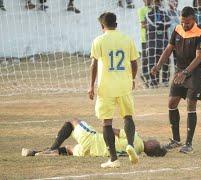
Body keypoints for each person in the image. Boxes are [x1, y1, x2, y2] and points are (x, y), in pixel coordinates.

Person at [151, 6, 201, 154]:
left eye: (187, 22)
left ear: (193, 19)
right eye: (182, 22)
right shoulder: (177, 29)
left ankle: (188, 144)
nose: (184, 25)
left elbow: (199, 57)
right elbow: (169, 49)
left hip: (195, 72)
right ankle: (176, 140)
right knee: (172, 102)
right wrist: (158, 66)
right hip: (180, 71)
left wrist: (186, 72)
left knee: (191, 104)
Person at [88, 12, 139, 168]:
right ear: (116, 24)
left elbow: (94, 65)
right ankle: (130, 144)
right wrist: (132, 79)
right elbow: (134, 63)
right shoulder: (127, 39)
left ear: (102, 26)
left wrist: (91, 86)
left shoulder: (98, 41)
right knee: (128, 117)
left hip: (106, 87)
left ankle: (113, 159)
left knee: (107, 122)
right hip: (124, 85)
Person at [21, 118, 167, 158]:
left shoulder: (134, 137)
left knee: (72, 122)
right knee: (69, 149)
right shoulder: (135, 155)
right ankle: (36, 153)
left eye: (157, 142)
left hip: (92, 139)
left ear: (152, 145)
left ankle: (51, 148)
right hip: (93, 152)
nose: (155, 139)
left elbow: (111, 131)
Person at [146, 0, 171, 87]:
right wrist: (160, 25)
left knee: (165, 60)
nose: (155, 4)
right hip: (153, 41)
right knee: (153, 61)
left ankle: (165, 80)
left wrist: (161, 24)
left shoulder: (163, 13)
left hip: (163, 41)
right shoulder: (149, 14)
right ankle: (153, 81)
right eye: (154, 2)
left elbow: (169, 22)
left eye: (157, 2)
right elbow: (151, 24)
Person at [138, 0, 152, 88]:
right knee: (145, 58)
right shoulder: (141, 10)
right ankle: (144, 75)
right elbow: (143, 24)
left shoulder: (155, 9)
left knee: (153, 59)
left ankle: (151, 79)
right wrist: (154, 25)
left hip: (154, 38)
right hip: (145, 38)